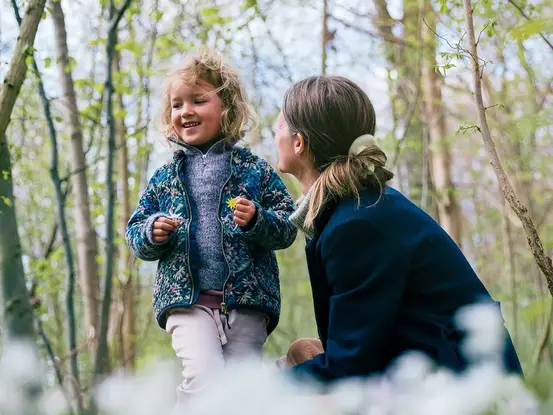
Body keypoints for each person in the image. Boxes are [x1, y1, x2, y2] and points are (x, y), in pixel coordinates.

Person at [273, 75, 522, 385]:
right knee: (301, 352)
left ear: (299, 143)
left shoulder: (356, 225)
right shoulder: (358, 209)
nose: (275, 133)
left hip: (467, 389)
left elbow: (350, 368)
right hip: (436, 368)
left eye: (280, 126)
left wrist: (262, 387)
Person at [125, 49, 297, 401]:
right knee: (204, 376)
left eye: (198, 100)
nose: (185, 110)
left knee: (239, 389)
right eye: (176, 105)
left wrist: (257, 221)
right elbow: (135, 231)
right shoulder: (164, 178)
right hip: (186, 302)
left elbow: (288, 225)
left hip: (248, 300)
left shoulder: (257, 171)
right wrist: (152, 231)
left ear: (228, 109)